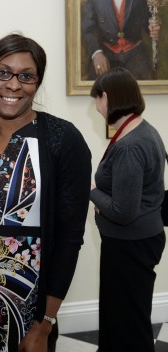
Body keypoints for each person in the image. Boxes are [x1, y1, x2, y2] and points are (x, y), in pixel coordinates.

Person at [0, 33, 92, 352]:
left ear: (37, 81)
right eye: (3, 73)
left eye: (26, 76)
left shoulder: (62, 139)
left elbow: (70, 237)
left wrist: (45, 323)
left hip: (27, 311)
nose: (13, 85)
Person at [89, 67, 166, 351]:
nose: (96, 108)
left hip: (129, 245)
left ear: (107, 98)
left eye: (96, 100)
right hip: (134, 242)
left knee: (129, 325)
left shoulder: (130, 145)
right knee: (118, 317)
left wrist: (92, 192)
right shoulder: (144, 130)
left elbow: (123, 211)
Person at [82, 0, 161, 80]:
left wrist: (152, 28)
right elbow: (89, 29)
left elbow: (146, 20)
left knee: (149, 83)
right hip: (106, 51)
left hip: (134, 51)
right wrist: (97, 53)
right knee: (95, 85)